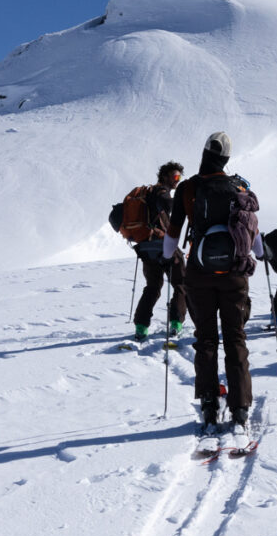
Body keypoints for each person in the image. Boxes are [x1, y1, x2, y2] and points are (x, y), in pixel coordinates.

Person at [165, 131, 264, 431]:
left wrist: (173, 257)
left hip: (198, 274)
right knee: (235, 338)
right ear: (227, 158)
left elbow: (171, 242)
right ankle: (241, 407)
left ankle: (209, 404)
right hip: (234, 274)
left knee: (206, 339)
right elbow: (256, 242)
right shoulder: (240, 187)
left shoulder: (188, 188)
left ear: (205, 152)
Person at [110, 160, 185, 339]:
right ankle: (176, 322)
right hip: (161, 244)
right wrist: (184, 202)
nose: (177, 180)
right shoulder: (161, 191)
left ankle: (141, 327)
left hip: (145, 246)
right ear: (165, 176)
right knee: (181, 283)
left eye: (179, 177)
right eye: (175, 176)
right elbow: (168, 204)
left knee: (153, 286)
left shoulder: (147, 193)